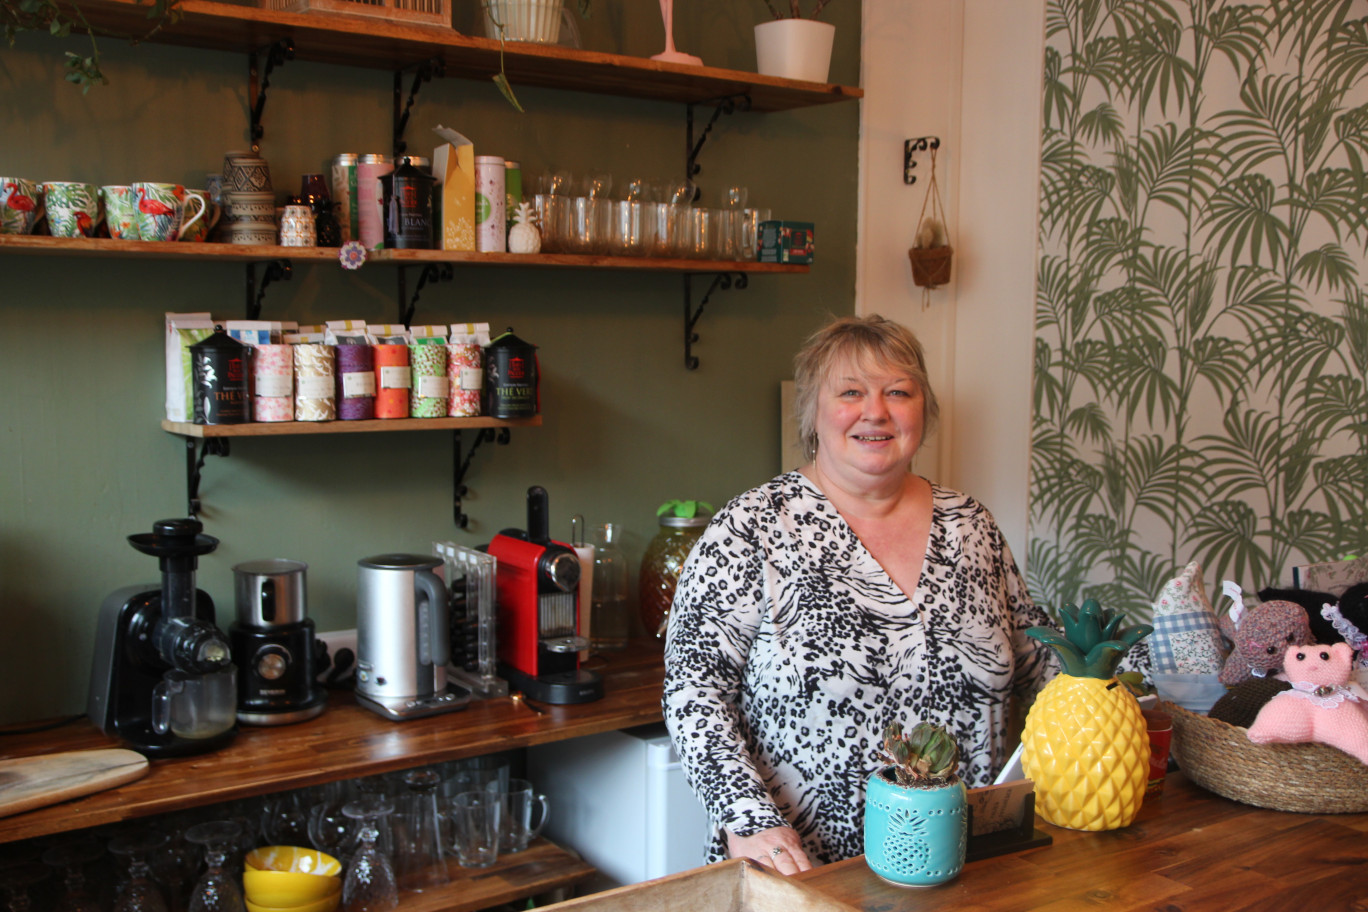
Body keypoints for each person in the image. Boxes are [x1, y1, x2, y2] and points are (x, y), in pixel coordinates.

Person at [662, 313, 1054, 873]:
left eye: (899, 391)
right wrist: (748, 819)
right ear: (813, 412)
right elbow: (693, 694)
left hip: (965, 869)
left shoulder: (971, 527)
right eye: (850, 392)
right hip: (802, 875)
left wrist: (1120, 695)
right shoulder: (751, 527)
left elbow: (1040, 658)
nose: (876, 411)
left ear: (924, 410)